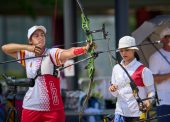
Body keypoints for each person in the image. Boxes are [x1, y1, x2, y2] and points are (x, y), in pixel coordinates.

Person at [1, 25, 91, 122]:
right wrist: (27, 47)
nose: (40, 37)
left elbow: (68, 52)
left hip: (53, 110)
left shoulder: (52, 53)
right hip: (30, 107)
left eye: (42, 35)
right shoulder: (26, 55)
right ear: (30, 41)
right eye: (36, 36)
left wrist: (85, 49)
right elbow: (5, 48)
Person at [109, 36, 155, 122]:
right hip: (120, 113)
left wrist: (149, 101)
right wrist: (112, 89)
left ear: (134, 50)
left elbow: (151, 91)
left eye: (127, 50)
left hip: (138, 114)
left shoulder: (144, 70)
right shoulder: (116, 68)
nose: (123, 53)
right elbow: (115, 94)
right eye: (121, 50)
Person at [149, 27, 170, 122]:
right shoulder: (155, 57)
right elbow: (153, 79)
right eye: (168, 36)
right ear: (162, 39)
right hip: (164, 101)